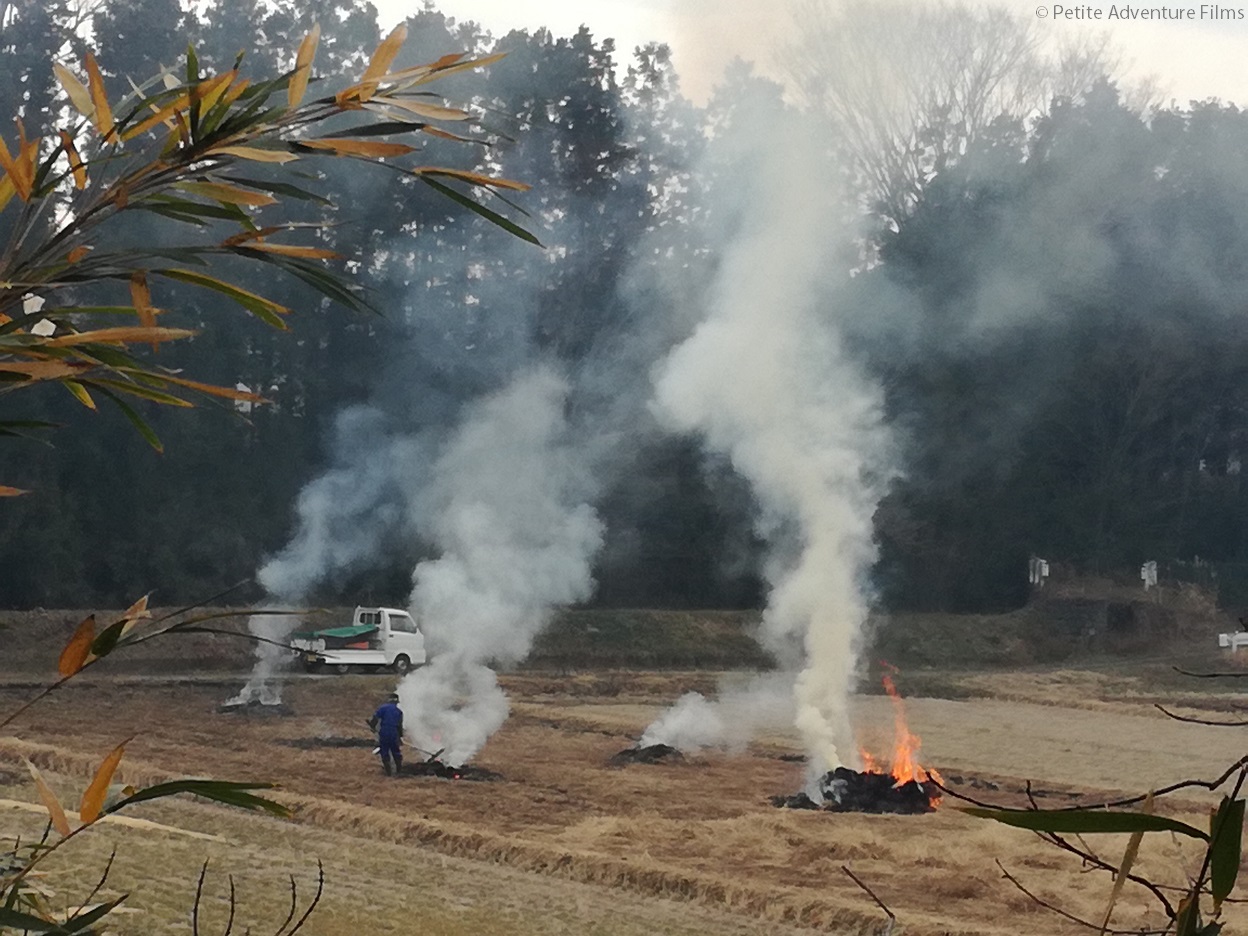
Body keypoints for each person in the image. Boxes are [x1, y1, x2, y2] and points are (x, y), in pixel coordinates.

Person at [368, 692, 404, 776]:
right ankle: (399, 771)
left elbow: (375, 718)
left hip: (384, 732)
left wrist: (372, 726)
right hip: (394, 733)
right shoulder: (399, 712)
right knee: (396, 751)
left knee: (384, 751)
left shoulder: (382, 708)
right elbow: (399, 726)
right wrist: (400, 737)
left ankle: (388, 773)